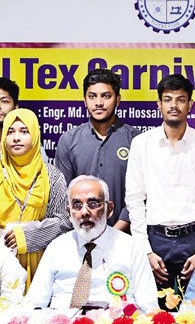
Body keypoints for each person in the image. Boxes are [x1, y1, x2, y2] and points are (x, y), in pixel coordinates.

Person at [125, 73, 195, 308]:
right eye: (167, 99)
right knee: (153, 315)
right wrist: (145, 251)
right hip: (154, 239)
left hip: (193, 239)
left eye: (180, 100)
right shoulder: (141, 144)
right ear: (159, 104)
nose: (173, 105)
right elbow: (134, 200)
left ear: (190, 104)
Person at [25, 175, 157, 311]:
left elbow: (149, 308)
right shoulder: (56, 248)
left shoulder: (132, 248)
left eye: (93, 203)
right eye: (77, 205)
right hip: (63, 322)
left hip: (115, 322)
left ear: (109, 209)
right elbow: (33, 306)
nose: (84, 212)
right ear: (69, 212)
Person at [0, 108, 68, 288]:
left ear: (35, 135)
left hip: (41, 260)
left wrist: (28, 235)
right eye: (10, 132)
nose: (16, 138)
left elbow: (65, 222)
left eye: (24, 131)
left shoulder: (52, 176)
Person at [54, 68, 138, 231]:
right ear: (85, 100)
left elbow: (140, 196)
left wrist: (114, 233)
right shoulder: (68, 140)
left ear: (118, 99)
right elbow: (64, 197)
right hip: (81, 234)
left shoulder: (136, 140)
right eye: (92, 96)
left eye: (106, 96)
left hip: (126, 236)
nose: (99, 102)